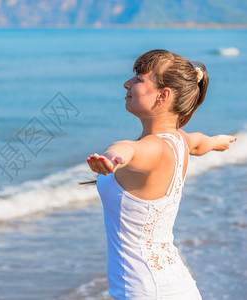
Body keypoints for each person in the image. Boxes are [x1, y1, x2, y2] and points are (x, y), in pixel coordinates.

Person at [85, 49, 236, 299]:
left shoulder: (153, 148)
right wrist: (218, 141)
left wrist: (113, 157)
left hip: (145, 290)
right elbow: (200, 143)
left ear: (163, 96)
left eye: (138, 79)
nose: (127, 83)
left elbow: (130, 149)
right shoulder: (179, 141)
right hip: (176, 285)